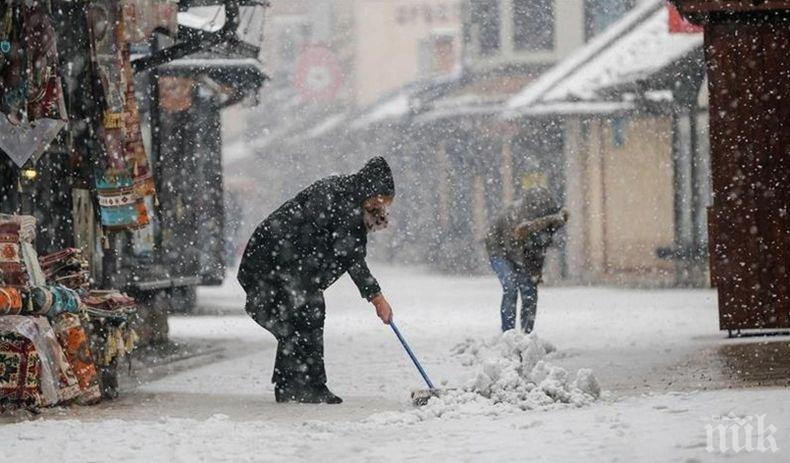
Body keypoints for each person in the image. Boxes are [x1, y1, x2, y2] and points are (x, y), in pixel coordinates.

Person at [237, 157, 395, 404]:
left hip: (273, 262)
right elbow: (350, 256)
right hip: (270, 264)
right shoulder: (345, 204)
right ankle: (310, 386)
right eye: (381, 200)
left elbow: (345, 250)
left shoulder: (344, 195)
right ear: (371, 191)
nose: (381, 207)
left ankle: (291, 385)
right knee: (308, 311)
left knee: (295, 320)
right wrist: (377, 299)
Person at [484, 187, 567, 333]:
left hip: (522, 254)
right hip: (500, 252)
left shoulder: (547, 226)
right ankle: (508, 333)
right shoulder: (514, 217)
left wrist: (535, 274)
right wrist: (531, 271)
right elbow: (517, 250)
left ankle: (527, 333)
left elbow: (539, 251)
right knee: (510, 287)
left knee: (530, 292)